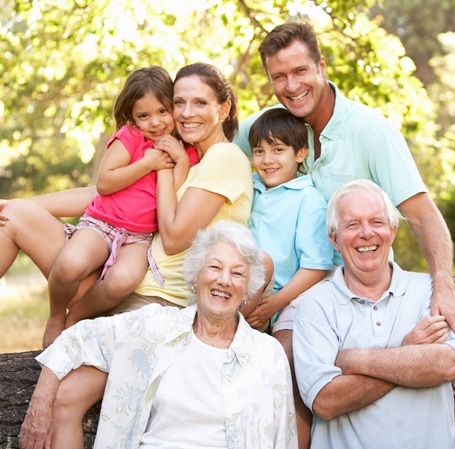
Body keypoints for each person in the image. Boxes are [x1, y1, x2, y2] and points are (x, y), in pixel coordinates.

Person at [233, 21, 455, 447]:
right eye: (279, 77)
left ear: (322, 66)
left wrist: (445, 285)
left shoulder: (370, 131)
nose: (291, 85)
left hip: (350, 290)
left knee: (288, 363)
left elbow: (423, 216)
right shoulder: (273, 130)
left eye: (301, 71)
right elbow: (214, 148)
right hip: (287, 285)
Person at [2, 62, 255, 444]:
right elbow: (104, 193)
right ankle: (66, 316)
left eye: (199, 102)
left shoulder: (220, 158)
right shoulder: (175, 148)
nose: (186, 113)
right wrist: (29, 202)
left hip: (150, 295)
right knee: (14, 213)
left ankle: (70, 320)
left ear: (224, 107)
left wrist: (167, 165)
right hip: (116, 267)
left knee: (65, 398)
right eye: (180, 102)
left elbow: (171, 238)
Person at [19, 221, 298, 449]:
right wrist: (40, 404)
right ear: (194, 276)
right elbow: (76, 339)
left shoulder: (267, 355)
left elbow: (283, 439)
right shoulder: (154, 326)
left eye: (237, 273)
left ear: (247, 289)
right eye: (214, 267)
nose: (224, 280)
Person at [293, 179, 455, 449]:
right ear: (334, 240)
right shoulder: (314, 305)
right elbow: (326, 401)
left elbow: (446, 364)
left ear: (392, 231)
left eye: (376, 222)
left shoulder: (429, 291)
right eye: (352, 224)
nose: (366, 233)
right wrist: (409, 350)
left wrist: (354, 360)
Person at [43, 66, 199, 348]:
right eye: (144, 115)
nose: (155, 122)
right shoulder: (131, 138)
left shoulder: (187, 151)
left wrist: (183, 163)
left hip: (139, 238)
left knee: (123, 281)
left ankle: (75, 317)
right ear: (132, 117)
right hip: (102, 223)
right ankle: (56, 315)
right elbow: (104, 182)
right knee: (69, 265)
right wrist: (148, 163)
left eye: (163, 111)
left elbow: (170, 198)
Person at [243, 108, 333, 333]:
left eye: (278, 150)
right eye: (259, 151)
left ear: (300, 153)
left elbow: (316, 266)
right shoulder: (248, 185)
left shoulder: (308, 199)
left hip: (273, 297)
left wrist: (275, 303)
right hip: (237, 281)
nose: (267, 160)